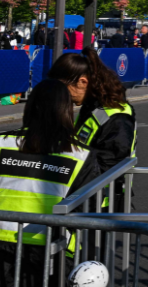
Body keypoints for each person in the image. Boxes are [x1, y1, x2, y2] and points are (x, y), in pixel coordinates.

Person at [0, 80, 98, 287]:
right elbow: (89, 208)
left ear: (30, 107)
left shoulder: (1, 143)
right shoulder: (81, 155)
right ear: (67, 111)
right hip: (51, 250)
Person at [47, 49, 137, 193]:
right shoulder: (92, 107)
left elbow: (109, 165)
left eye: (64, 89)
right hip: (87, 195)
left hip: (103, 202)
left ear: (83, 82)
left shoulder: (116, 115)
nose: (62, 96)